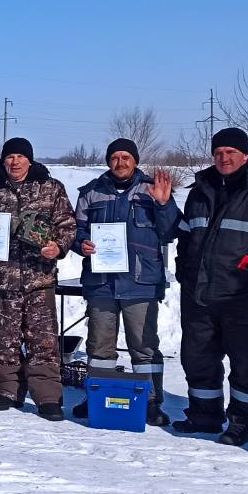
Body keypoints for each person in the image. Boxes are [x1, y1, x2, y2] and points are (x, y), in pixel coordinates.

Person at [173, 127, 248, 446]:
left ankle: (243, 420)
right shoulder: (200, 190)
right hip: (200, 296)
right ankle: (205, 415)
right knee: (198, 359)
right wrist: (185, 274)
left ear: (245, 155)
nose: (224, 158)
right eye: (218, 153)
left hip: (244, 297)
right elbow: (186, 238)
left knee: (247, 363)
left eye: (231, 152)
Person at [69, 138, 179, 426]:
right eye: (115, 157)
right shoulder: (91, 192)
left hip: (140, 282)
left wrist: (164, 204)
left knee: (143, 346)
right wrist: (82, 244)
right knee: (99, 345)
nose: (120, 162)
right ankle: (96, 394)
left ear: (135, 160)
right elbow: (75, 230)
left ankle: (152, 400)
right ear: (108, 161)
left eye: (126, 157)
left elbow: (170, 232)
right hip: (101, 282)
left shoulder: (151, 189)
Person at [0, 138, 76, 418]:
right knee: (4, 338)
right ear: (2, 160)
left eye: (20, 156)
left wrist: (58, 247)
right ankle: (8, 390)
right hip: (1, 279)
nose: (14, 162)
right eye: (9, 157)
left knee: (43, 340)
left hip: (38, 278)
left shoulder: (51, 189)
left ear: (30, 160)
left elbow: (68, 225)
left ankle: (47, 397)